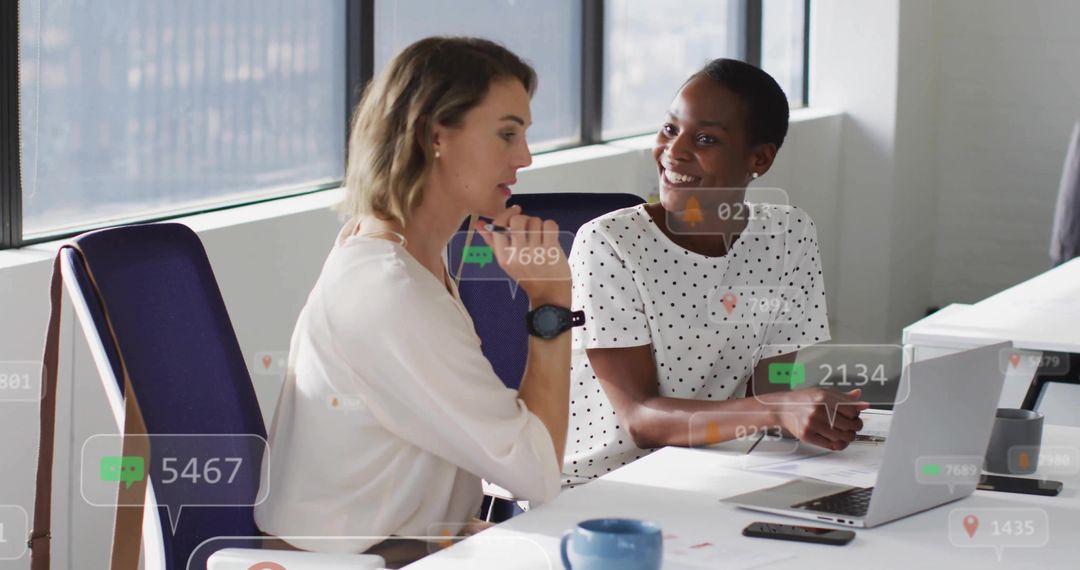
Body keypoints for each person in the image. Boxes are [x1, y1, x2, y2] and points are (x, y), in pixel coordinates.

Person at [254, 37, 573, 565]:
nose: (524, 157)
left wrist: (446, 533)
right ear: (433, 136)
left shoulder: (399, 253)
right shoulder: (390, 289)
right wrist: (550, 303)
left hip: (400, 550)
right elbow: (538, 474)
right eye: (506, 134)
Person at [562, 59, 868, 486]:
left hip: (709, 469)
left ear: (759, 158)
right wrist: (777, 412)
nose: (675, 150)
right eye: (670, 129)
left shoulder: (789, 235)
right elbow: (638, 420)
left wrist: (812, 415)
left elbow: (773, 387)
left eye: (705, 138)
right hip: (602, 486)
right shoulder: (609, 243)